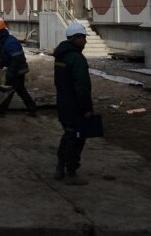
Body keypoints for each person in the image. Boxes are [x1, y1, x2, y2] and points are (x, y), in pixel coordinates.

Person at [53, 22, 93, 186]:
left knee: (68, 136)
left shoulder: (60, 56)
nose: (85, 42)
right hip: (75, 106)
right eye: (83, 38)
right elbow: (82, 86)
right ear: (76, 38)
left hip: (63, 103)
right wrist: (87, 108)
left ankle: (60, 167)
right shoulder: (77, 59)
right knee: (76, 138)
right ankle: (71, 172)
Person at [0, 19, 38, 116]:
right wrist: (1, 64)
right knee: (20, 90)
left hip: (17, 70)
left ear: (1, 32)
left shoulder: (10, 42)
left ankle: (1, 111)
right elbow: (8, 56)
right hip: (17, 69)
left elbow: (16, 59)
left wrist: (10, 72)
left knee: (8, 90)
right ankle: (32, 109)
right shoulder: (5, 40)